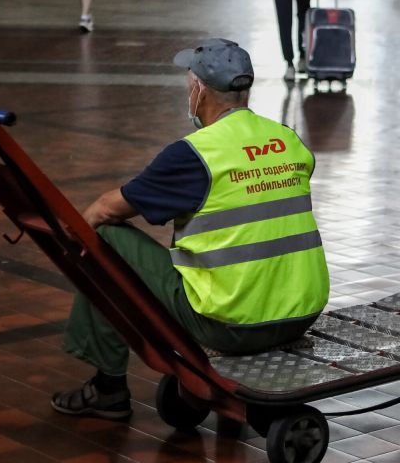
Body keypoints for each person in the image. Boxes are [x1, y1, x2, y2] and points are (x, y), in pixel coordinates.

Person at [51, 39, 330, 419]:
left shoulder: (195, 154)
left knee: (103, 239)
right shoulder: (288, 140)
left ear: (199, 89)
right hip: (300, 313)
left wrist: (73, 241)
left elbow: (106, 208)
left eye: (188, 82)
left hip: (231, 323)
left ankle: (108, 387)